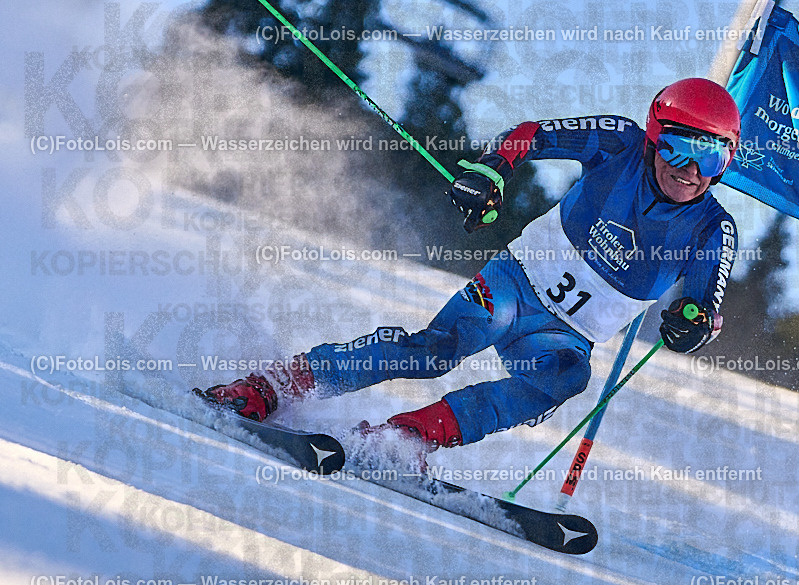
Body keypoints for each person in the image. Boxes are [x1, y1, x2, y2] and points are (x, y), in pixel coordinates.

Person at [199, 78, 740, 459]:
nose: (691, 171)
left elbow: (702, 303)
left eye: (712, 159)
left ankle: (406, 437)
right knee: (437, 350)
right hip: (516, 285)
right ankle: (272, 385)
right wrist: (494, 170)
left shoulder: (713, 229)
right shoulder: (619, 141)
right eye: (677, 150)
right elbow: (533, 133)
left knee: (567, 378)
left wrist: (692, 322)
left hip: (567, 335)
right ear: (652, 135)